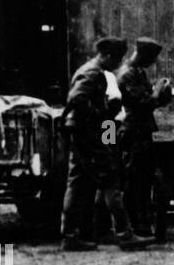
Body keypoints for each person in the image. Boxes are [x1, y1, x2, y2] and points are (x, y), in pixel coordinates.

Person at [60, 37, 151, 251]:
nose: (118, 63)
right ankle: (124, 234)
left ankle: (71, 236)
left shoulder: (99, 72)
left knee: (77, 182)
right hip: (91, 133)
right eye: (116, 59)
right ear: (108, 56)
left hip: (94, 131)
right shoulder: (94, 73)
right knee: (110, 180)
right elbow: (77, 100)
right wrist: (100, 116)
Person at [117, 37, 173, 236]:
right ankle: (135, 224)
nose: (152, 63)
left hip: (143, 131)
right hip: (133, 132)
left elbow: (151, 99)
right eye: (151, 58)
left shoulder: (137, 73)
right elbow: (144, 102)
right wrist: (158, 92)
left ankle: (143, 222)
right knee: (134, 181)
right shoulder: (127, 76)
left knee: (145, 178)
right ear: (142, 55)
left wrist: (163, 93)